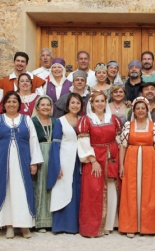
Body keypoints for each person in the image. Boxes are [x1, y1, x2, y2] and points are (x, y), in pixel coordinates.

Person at [0, 91, 44, 239]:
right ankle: (9, 225)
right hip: (2, 163)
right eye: (8, 101)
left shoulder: (27, 120)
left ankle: (24, 226)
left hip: (22, 163)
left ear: (19, 104)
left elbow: (33, 141)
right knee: (6, 192)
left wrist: (34, 162)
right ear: (4, 104)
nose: (11, 104)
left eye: (14, 101)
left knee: (22, 193)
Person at [76, 91, 122, 237]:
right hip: (94, 157)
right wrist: (92, 160)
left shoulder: (114, 119)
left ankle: (110, 224)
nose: (100, 104)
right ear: (92, 103)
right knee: (94, 190)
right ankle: (95, 226)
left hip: (112, 156)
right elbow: (83, 142)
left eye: (102, 101)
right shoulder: (86, 120)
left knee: (112, 188)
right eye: (97, 101)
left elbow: (119, 140)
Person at [118, 97, 155, 238]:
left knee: (150, 192)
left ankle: (148, 226)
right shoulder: (128, 125)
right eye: (138, 108)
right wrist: (121, 165)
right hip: (131, 160)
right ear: (134, 111)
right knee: (130, 191)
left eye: (143, 108)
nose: (141, 111)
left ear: (147, 110)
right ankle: (130, 226)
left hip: (150, 161)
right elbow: (123, 146)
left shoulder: (154, 125)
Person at [47, 93, 83, 233]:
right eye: (73, 103)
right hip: (65, 160)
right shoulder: (60, 121)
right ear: (68, 105)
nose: (75, 105)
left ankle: (77, 225)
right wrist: (57, 166)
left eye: (78, 103)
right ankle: (62, 225)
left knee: (78, 192)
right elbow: (55, 145)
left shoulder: (84, 120)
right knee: (63, 190)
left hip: (80, 161)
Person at [31, 96, 56, 232]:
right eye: (43, 105)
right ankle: (40, 221)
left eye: (48, 105)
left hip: (53, 155)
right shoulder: (32, 121)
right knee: (40, 186)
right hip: (39, 155)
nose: (46, 107)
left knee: (52, 187)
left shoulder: (55, 121)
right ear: (37, 107)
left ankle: (52, 220)